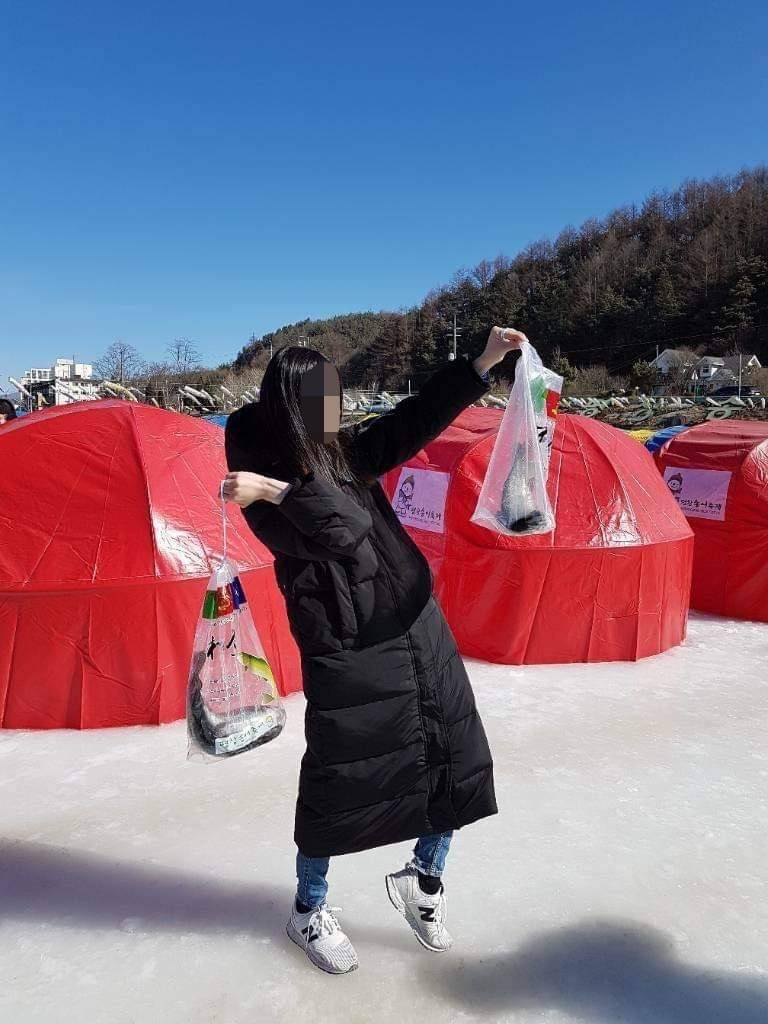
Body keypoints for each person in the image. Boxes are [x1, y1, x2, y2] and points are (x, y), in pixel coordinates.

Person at [223, 326, 523, 975]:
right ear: (293, 404)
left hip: (416, 619)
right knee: (341, 781)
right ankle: (308, 907)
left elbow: (410, 422)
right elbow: (342, 529)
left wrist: (480, 364)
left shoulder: (340, 450)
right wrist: (276, 491)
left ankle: (423, 879)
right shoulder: (256, 466)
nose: (335, 408)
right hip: (348, 637)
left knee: (456, 759)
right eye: (321, 397)